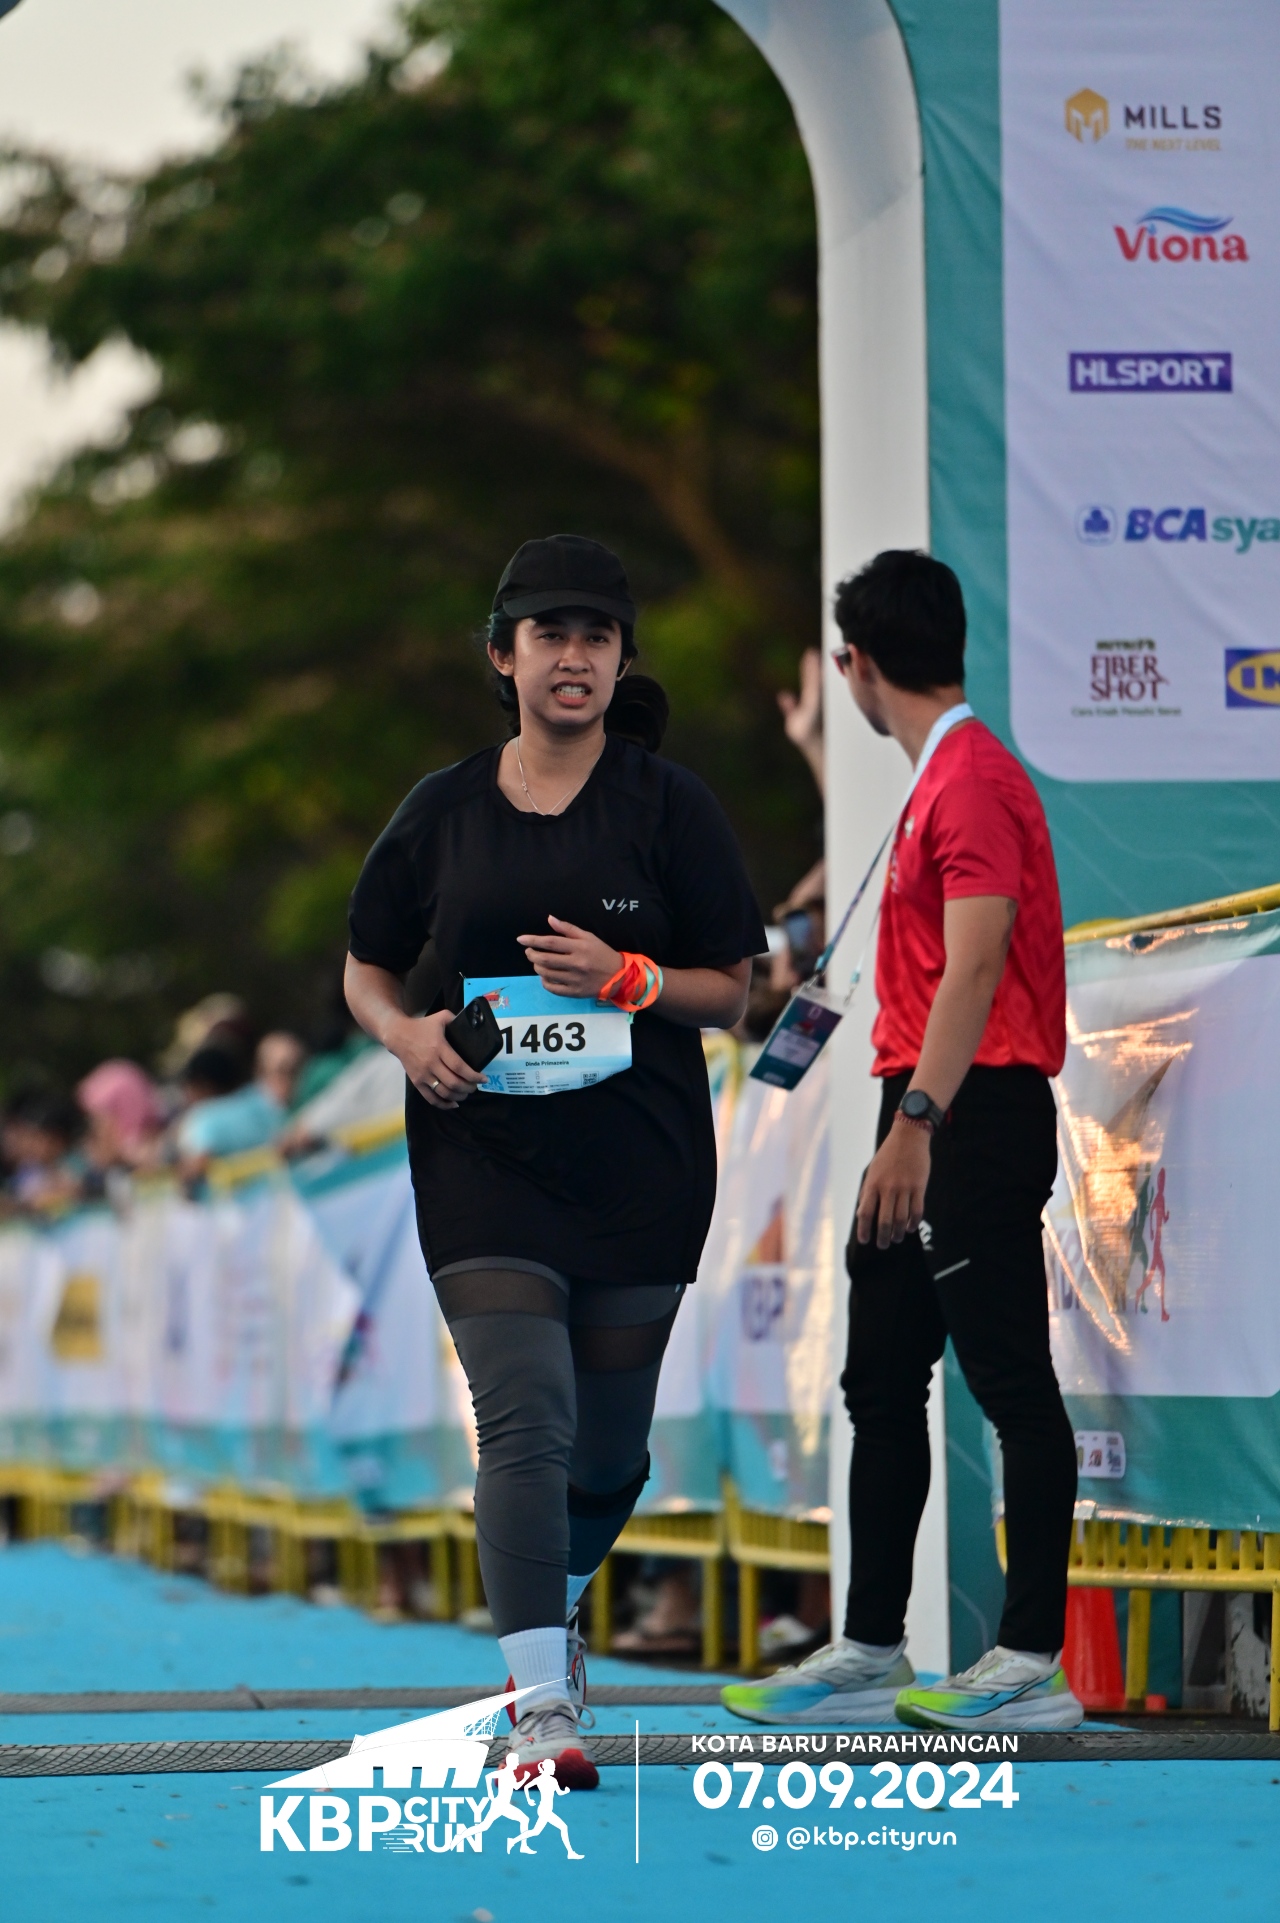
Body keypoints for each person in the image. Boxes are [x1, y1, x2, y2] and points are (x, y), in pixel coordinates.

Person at [345, 533, 765, 1785]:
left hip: (637, 1164)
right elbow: (365, 968)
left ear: (621, 659)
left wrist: (627, 977)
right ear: (503, 656)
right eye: (547, 635)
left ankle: (557, 1604)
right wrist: (406, 1036)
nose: (571, 656)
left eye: (595, 636)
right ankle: (539, 1707)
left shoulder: (668, 804)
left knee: (607, 1452)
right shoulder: (441, 809)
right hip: (484, 1159)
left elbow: (732, 991)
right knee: (522, 1417)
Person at [723, 548, 1081, 1733]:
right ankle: (870, 1646)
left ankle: (1029, 1662)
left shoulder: (971, 778)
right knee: (879, 1378)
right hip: (919, 1110)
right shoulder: (936, 776)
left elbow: (975, 964)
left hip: (966, 1113)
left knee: (1009, 1382)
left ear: (855, 663)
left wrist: (916, 1124)